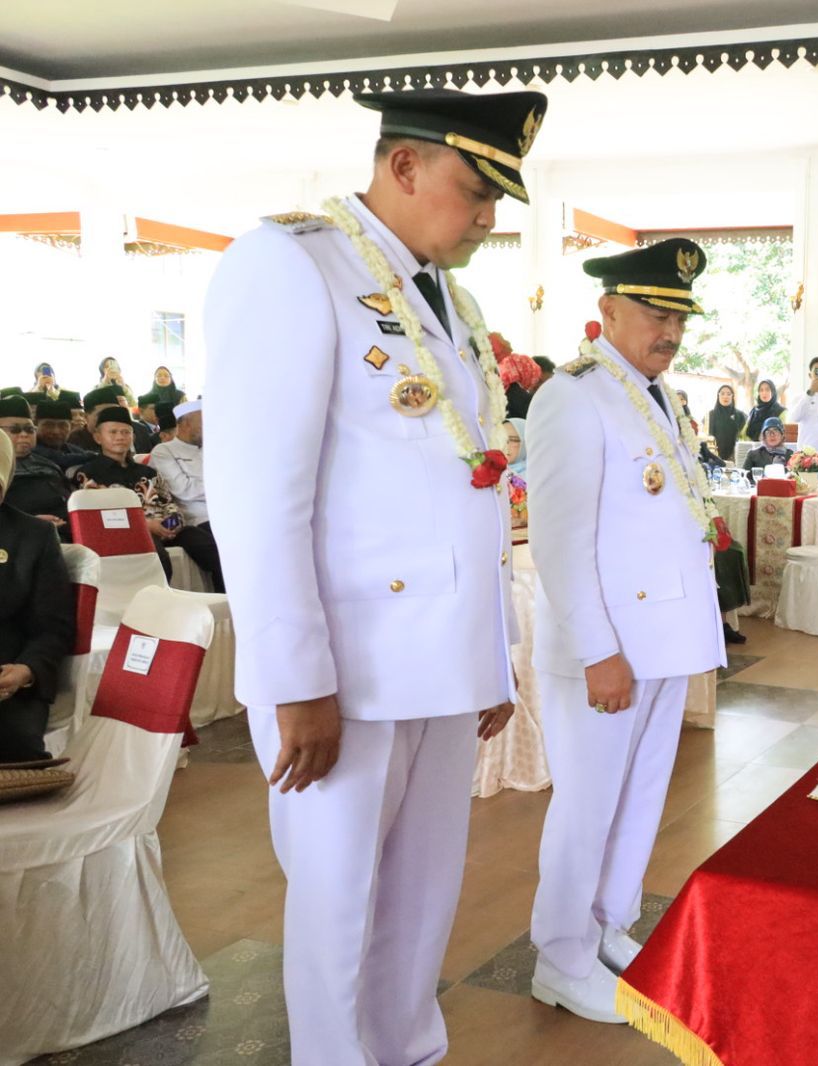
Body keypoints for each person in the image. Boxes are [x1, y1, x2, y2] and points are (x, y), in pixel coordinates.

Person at [203, 87, 537, 1065]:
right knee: (338, 905)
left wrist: (493, 655)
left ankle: (408, 1052)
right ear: (402, 166)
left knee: (423, 896)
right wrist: (293, 676)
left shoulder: (446, 298)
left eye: (497, 199)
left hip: (442, 657)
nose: (488, 218)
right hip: (345, 666)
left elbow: (467, 481)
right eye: (476, 191)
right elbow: (260, 494)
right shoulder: (293, 263)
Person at [524, 238, 724, 1024]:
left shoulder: (653, 392)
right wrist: (597, 650)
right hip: (606, 649)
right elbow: (560, 539)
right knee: (587, 806)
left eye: (679, 318)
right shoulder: (573, 396)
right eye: (653, 312)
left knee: (638, 798)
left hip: (661, 639)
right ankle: (560, 956)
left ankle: (607, 925)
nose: (669, 331)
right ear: (607, 310)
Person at [0, 432, 74, 763]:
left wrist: (26, 670)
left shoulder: (32, 536)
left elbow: (52, 626)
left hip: (6, 675)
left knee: (15, 747)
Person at [72, 407, 186, 577]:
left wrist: (171, 524)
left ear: (133, 437)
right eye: (113, 432)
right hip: (125, 532)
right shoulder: (88, 474)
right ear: (98, 437)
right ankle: (160, 593)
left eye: (126, 432)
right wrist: (145, 525)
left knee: (202, 539)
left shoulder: (148, 472)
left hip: (163, 528)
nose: (120, 437)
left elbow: (169, 503)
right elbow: (97, 517)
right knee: (156, 554)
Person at [148, 400, 225, 591]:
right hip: (196, 518)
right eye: (204, 422)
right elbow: (184, 490)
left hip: (229, 515)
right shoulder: (164, 451)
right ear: (186, 423)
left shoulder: (216, 449)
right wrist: (223, 488)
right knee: (225, 552)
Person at [0, 395, 70, 532]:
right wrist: (30, 523)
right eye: (15, 429)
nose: (24, 434)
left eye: (29, 429)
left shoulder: (50, 466)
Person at [30, 400, 93, 471]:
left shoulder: (74, 450)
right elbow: (60, 458)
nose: (56, 431)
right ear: (35, 424)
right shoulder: (28, 450)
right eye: (49, 425)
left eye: (62, 425)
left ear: (71, 426)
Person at [707, 384, 744, 464]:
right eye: (722, 393)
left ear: (732, 396)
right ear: (718, 396)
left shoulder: (740, 415)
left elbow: (743, 436)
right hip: (714, 455)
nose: (725, 396)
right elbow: (707, 436)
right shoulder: (711, 415)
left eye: (728, 394)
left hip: (735, 456)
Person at [504, 417, 529, 529]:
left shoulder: (537, 475)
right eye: (501, 438)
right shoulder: (491, 473)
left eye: (513, 440)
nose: (505, 445)